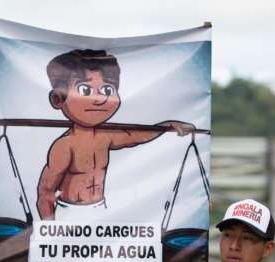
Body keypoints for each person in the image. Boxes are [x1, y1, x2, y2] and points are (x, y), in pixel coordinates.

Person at [36, 48, 195, 220]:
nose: (99, 99)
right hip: (70, 212)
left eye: (107, 90)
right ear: (58, 99)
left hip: (99, 209)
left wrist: (168, 126)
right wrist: (50, 228)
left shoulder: (106, 136)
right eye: (85, 90)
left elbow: (137, 136)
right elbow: (46, 192)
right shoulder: (65, 145)